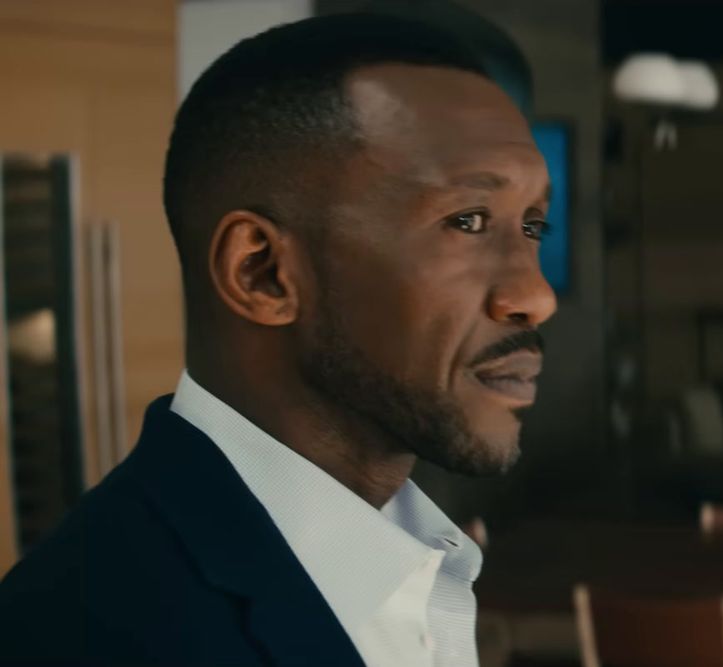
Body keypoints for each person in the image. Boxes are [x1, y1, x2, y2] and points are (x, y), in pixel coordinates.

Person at [0, 12, 556, 667]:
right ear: (261, 272)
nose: (536, 296)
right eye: (467, 221)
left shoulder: (421, 560)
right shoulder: (85, 634)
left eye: (532, 227)